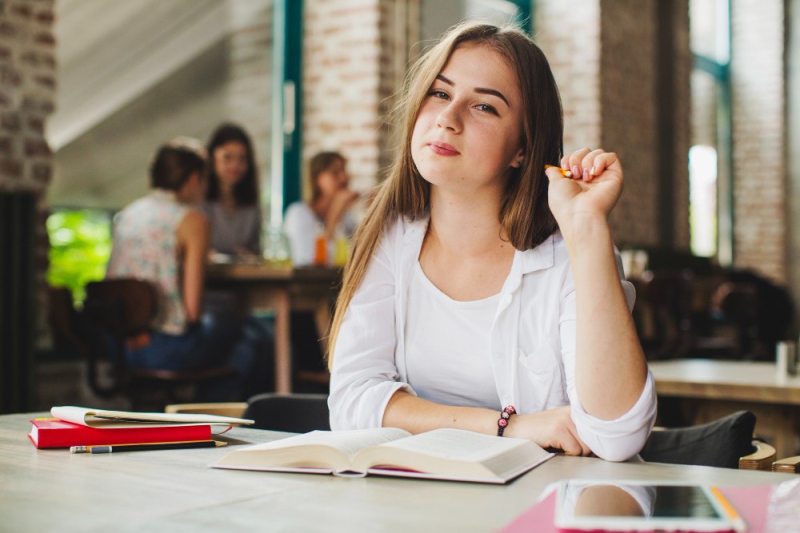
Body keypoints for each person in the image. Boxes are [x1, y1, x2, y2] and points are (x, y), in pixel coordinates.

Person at [327, 22, 657, 462]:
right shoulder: (390, 237)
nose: (448, 118)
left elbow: (617, 436)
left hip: (548, 497)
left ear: (523, 149)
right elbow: (351, 403)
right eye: (440, 93)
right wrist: (507, 427)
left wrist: (587, 227)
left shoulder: (569, 253)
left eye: (484, 106)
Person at [106, 137, 263, 400]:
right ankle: (205, 413)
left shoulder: (128, 214)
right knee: (248, 335)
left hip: (118, 345)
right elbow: (192, 311)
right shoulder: (192, 220)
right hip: (163, 348)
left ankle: (182, 407)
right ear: (193, 179)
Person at [283, 151, 359, 265]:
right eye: (335, 172)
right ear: (317, 180)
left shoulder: (347, 216)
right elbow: (307, 259)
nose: (344, 177)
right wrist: (334, 215)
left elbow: (359, 255)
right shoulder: (298, 213)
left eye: (344, 171)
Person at [202, 123, 262, 257]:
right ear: (212, 158)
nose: (235, 166)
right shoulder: (199, 202)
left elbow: (256, 250)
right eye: (227, 158)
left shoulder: (250, 206)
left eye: (242, 159)